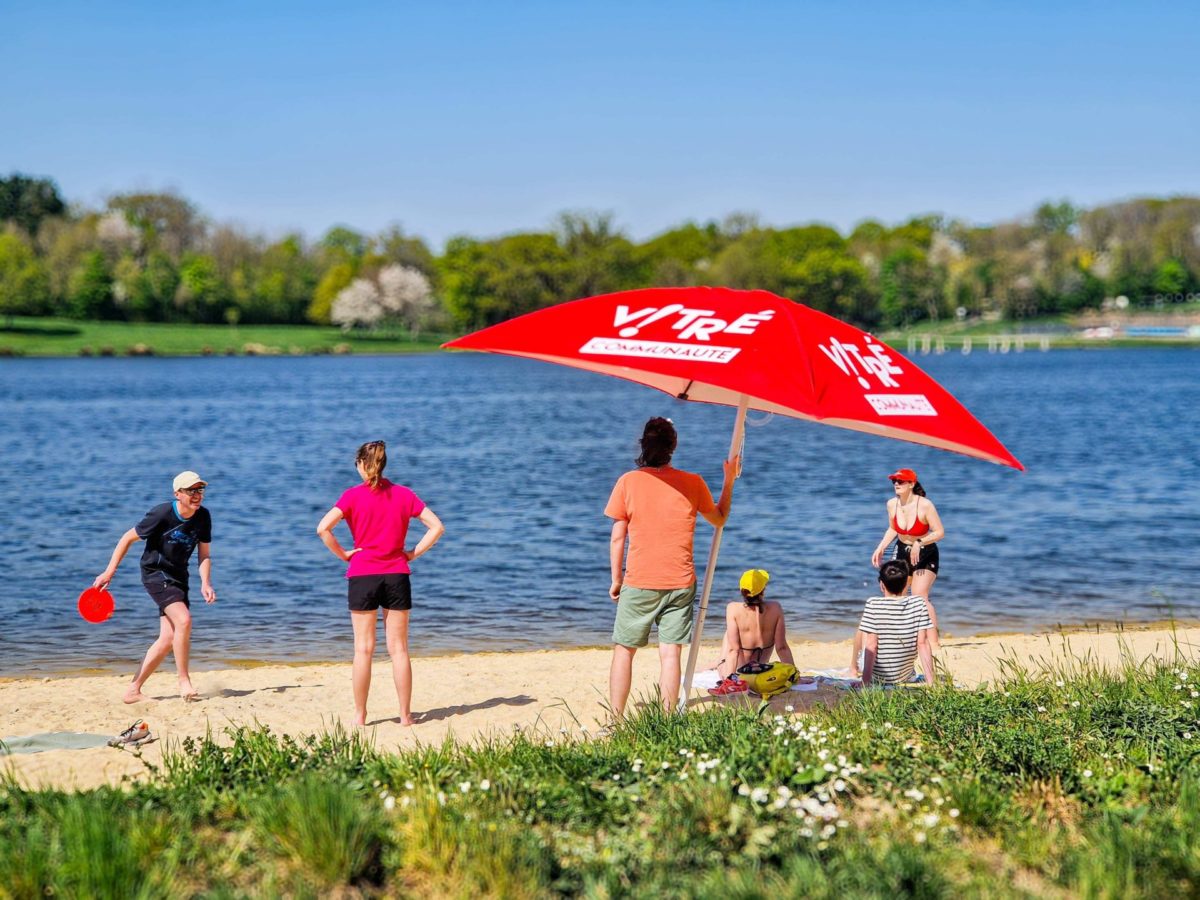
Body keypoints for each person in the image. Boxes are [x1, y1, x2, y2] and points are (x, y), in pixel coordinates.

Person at [604, 416, 738, 717]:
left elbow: (617, 537)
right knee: (670, 653)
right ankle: (667, 719)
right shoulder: (693, 482)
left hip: (639, 580)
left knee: (625, 651)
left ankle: (615, 719)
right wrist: (729, 481)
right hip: (680, 581)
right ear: (673, 447)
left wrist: (616, 578)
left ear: (644, 445)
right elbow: (719, 518)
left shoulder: (628, 481)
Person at [317, 440, 444, 727]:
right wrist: (412, 553)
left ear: (362, 464)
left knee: (363, 649)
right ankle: (405, 715)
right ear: (383, 465)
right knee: (398, 648)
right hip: (397, 574)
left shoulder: (351, 496)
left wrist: (344, 554)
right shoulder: (403, 494)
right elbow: (437, 526)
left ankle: (360, 716)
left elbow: (322, 528)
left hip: (362, 574)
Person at [93, 471, 216, 703]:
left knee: (168, 638)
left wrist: (206, 582)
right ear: (177, 494)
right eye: (191, 490)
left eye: (200, 490)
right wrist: (110, 571)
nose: (197, 495)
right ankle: (184, 681)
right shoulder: (162, 513)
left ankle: (133, 691)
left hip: (179, 577)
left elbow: (205, 554)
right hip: (155, 573)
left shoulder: (203, 517)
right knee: (184, 620)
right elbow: (126, 538)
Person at [870, 467, 945, 650]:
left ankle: (934, 643)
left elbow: (940, 532)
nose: (896, 484)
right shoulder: (891, 504)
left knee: (920, 596)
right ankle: (900, 639)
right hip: (902, 550)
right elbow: (893, 528)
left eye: (901, 481)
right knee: (896, 595)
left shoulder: (925, 505)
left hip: (925, 552)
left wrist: (920, 542)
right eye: (894, 481)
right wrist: (881, 547)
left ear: (911, 484)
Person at [708, 568, 795, 696]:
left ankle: (718, 664)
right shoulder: (776, 608)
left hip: (740, 672)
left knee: (729, 635)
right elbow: (781, 648)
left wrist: (729, 682)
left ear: (742, 591)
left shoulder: (733, 608)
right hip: (760, 670)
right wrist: (794, 675)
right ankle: (715, 663)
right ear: (763, 590)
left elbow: (734, 650)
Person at [852, 559, 936, 687]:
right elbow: (922, 643)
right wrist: (931, 683)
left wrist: (865, 682)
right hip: (906, 676)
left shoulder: (873, 604)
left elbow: (871, 645)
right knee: (870, 625)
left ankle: (853, 668)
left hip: (877, 677)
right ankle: (854, 668)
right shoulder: (919, 603)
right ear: (906, 584)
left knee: (864, 628)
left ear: (882, 585)